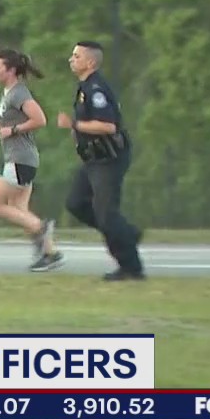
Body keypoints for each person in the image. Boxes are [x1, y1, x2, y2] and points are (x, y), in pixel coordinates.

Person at [56, 41, 146, 281]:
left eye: (76, 56)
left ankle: (131, 267)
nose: (71, 59)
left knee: (106, 214)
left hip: (109, 159)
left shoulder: (96, 89)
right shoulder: (85, 86)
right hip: (93, 159)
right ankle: (126, 233)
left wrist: (73, 124)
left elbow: (108, 126)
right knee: (76, 203)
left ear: (90, 62)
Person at [0, 49, 65, 273]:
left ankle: (42, 228)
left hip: (20, 159)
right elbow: (8, 125)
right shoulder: (9, 93)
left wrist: (13, 130)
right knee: (19, 210)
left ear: (11, 70)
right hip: (22, 159)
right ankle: (50, 254)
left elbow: (39, 119)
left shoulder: (19, 94)